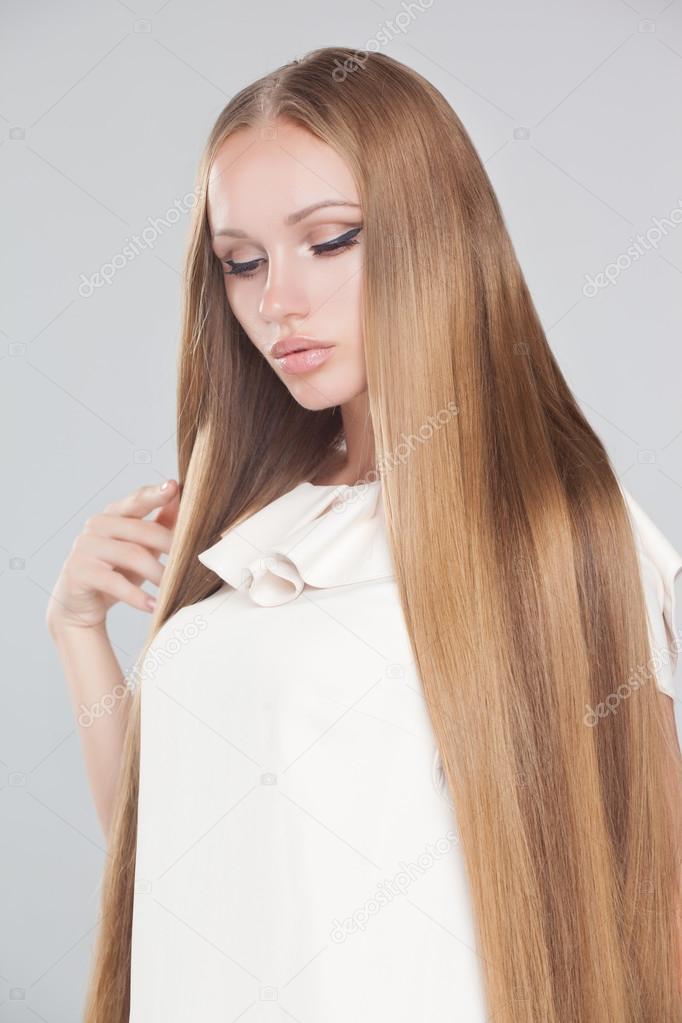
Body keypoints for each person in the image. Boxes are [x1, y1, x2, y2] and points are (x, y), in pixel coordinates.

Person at [46, 47, 682, 1023]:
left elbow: (621, 907)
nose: (275, 302)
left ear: (434, 232)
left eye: (330, 240)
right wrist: (79, 632)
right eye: (242, 261)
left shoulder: (554, 531)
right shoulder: (258, 520)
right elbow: (173, 861)